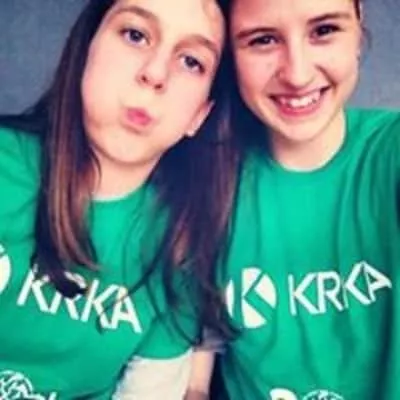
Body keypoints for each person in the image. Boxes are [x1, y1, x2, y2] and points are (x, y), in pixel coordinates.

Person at [0, 0, 236, 398]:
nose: (155, 74)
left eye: (191, 61)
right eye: (136, 35)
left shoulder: (181, 249)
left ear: (201, 114)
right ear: (86, 49)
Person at [189, 0, 400, 399]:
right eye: (263, 40)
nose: (298, 75)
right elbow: (193, 379)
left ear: (358, 28)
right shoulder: (203, 190)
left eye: (324, 31)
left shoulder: (390, 152)